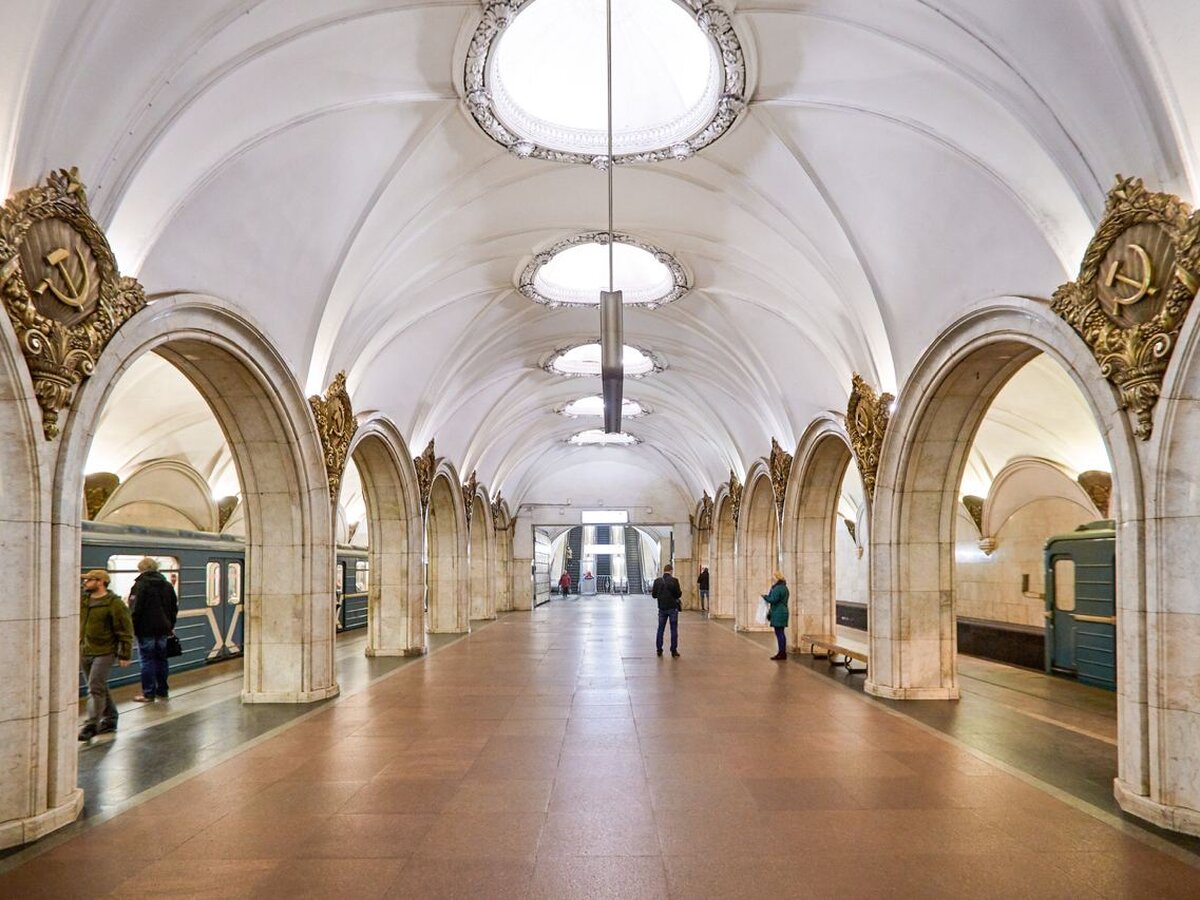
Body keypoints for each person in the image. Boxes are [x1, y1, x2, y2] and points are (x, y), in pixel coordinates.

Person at [79, 569, 133, 740]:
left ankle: (91, 725)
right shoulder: (83, 601)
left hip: (105, 651)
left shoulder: (114, 604)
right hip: (85, 650)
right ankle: (110, 718)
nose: (85, 583)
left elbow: (125, 631)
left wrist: (125, 654)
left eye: (89, 580)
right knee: (98, 685)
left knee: (95, 687)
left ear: (101, 582)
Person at [129, 557, 179, 702]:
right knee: (161, 660)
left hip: (145, 630)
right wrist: (170, 625)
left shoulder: (140, 585)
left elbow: (135, 610)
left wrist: (132, 628)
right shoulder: (167, 585)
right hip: (163, 629)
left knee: (147, 660)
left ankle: (148, 693)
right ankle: (162, 691)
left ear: (142, 569)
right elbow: (173, 608)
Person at [651, 564, 683, 658]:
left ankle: (659, 649)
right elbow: (678, 594)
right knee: (673, 629)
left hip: (662, 608)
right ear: (671, 571)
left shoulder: (657, 581)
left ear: (664, 570)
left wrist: (661, 595)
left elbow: (654, 595)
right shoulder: (674, 581)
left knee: (660, 629)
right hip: (672, 608)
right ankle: (673, 650)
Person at [763, 569, 790, 660]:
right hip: (783, 611)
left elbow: (773, 600)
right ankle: (782, 652)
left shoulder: (777, 588)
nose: (772, 579)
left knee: (779, 633)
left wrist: (765, 597)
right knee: (781, 633)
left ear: (777, 578)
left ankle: (781, 653)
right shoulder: (784, 587)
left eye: (773, 577)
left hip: (778, 612)